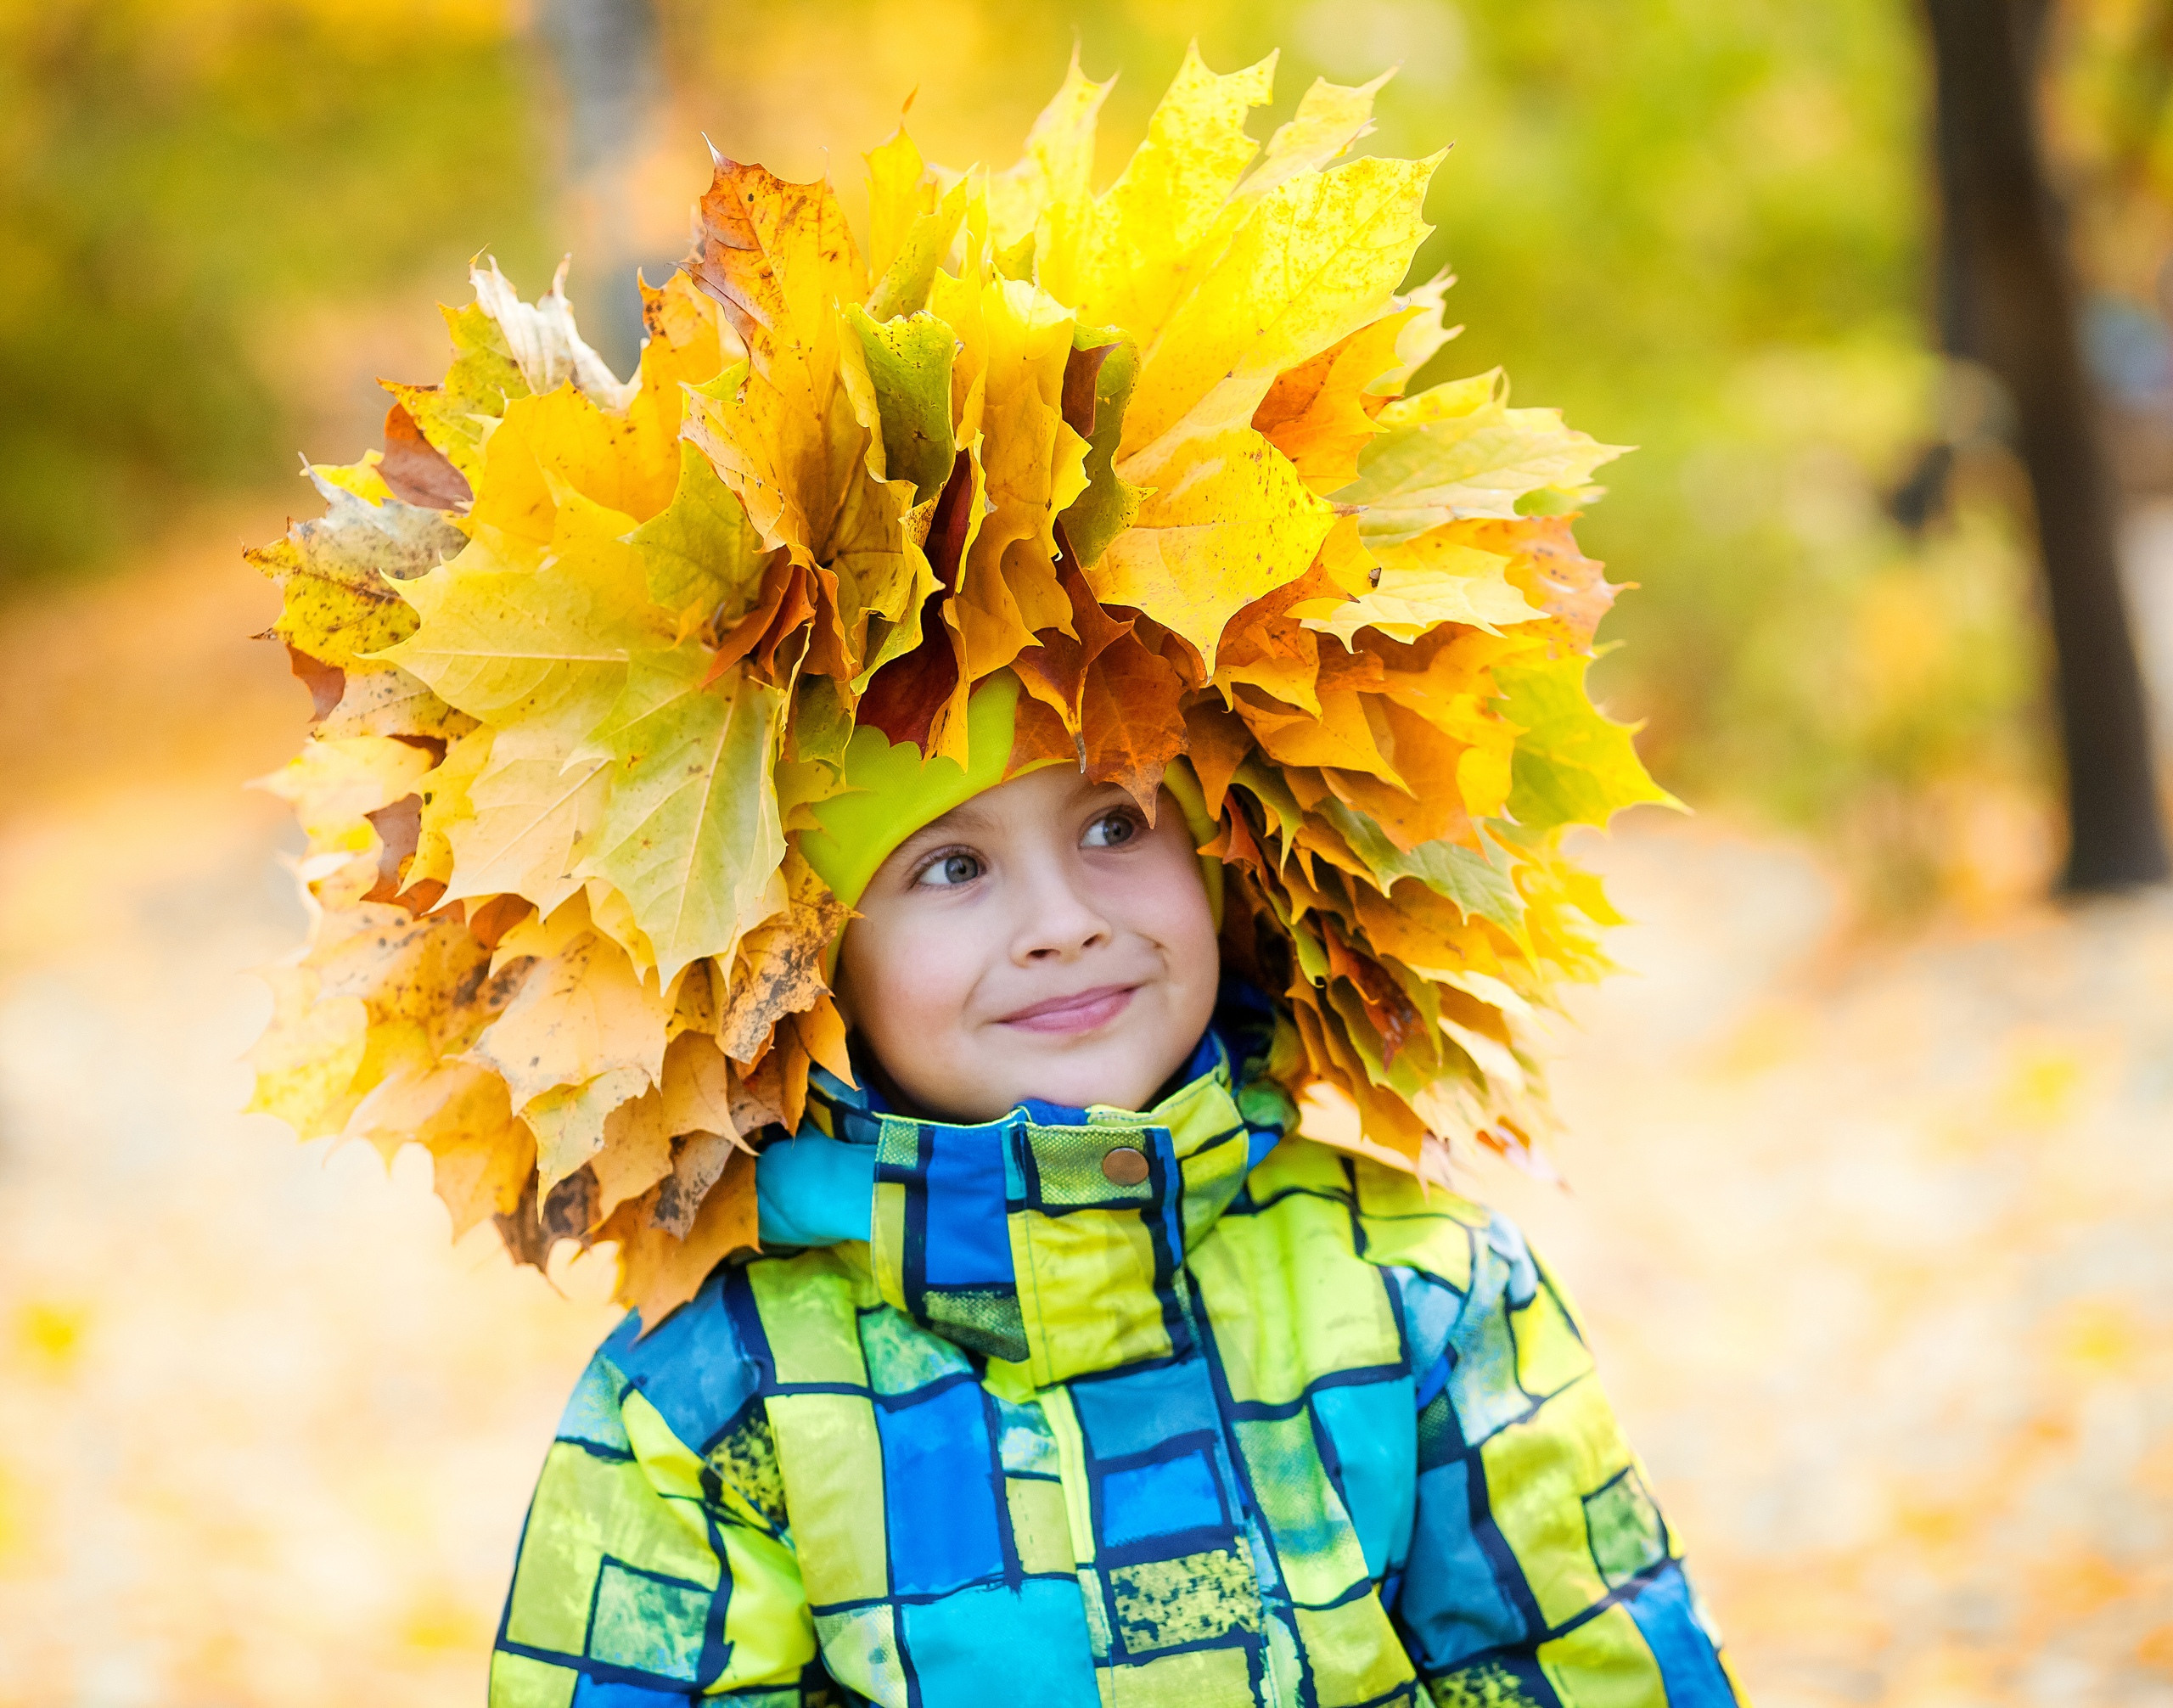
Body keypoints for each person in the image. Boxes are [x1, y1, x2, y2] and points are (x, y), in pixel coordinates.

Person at [486, 667, 1745, 1706]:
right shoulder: (713, 1394)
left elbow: (1584, 1663)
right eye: (950, 868)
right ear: (807, 969)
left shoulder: (1424, 1290)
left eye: (1113, 824)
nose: (1064, 920)